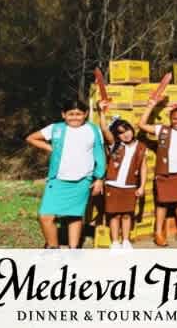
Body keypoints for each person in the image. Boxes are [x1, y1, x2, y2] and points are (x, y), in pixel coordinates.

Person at [25, 99, 106, 249]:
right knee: (45, 216)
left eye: (79, 114)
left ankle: (73, 250)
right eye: (71, 114)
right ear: (63, 114)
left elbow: (100, 155)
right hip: (58, 180)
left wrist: (99, 178)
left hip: (82, 181)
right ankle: (53, 248)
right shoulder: (56, 128)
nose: (75, 117)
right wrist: (51, 148)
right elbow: (31, 138)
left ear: (86, 114)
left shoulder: (93, 130)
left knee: (75, 216)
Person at [136, 98, 177, 247]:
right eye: (175, 118)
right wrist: (150, 106)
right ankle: (158, 233)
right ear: (170, 118)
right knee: (162, 204)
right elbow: (141, 125)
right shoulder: (162, 130)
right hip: (164, 173)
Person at [96, 100, 147, 249]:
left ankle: (125, 240)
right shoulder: (115, 145)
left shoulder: (141, 147)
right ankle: (115, 242)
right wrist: (101, 113)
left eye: (127, 130)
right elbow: (105, 129)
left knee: (127, 214)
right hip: (112, 185)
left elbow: (143, 168)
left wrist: (142, 186)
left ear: (132, 129)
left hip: (130, 186)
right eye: (120, 133)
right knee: (114, 215)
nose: (125, 134)